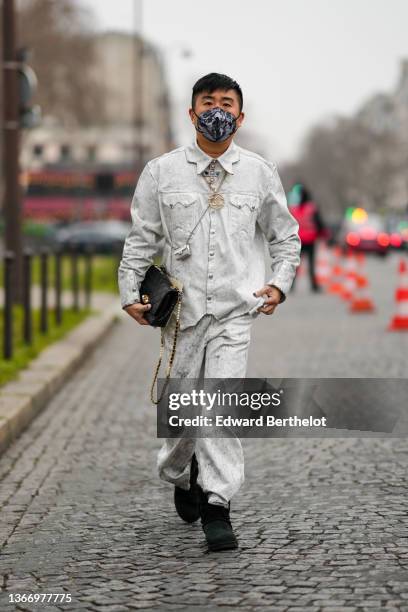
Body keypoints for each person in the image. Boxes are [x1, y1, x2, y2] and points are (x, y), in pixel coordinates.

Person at [118, 73, 301, 552]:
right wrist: (128, 293)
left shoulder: (260, 173)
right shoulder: (161, 172)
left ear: (240, 117)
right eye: (208, 101)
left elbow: (285, 236)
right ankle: (181, 472)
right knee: (180, 417)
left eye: (226, 103)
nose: (216, 110)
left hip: (235, 312)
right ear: (192, 111)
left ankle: (217, 506)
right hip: (181, 316)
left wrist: (279, 285)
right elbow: (141, 239)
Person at [289, 184, 327, 292]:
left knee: (296, 264)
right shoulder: (312, 208)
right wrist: (323, 234)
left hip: (299, 240)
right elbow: (318, 223)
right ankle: (314, 286)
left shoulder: (294, 209)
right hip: (310, 240)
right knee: (311, 264)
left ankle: (291, 285)